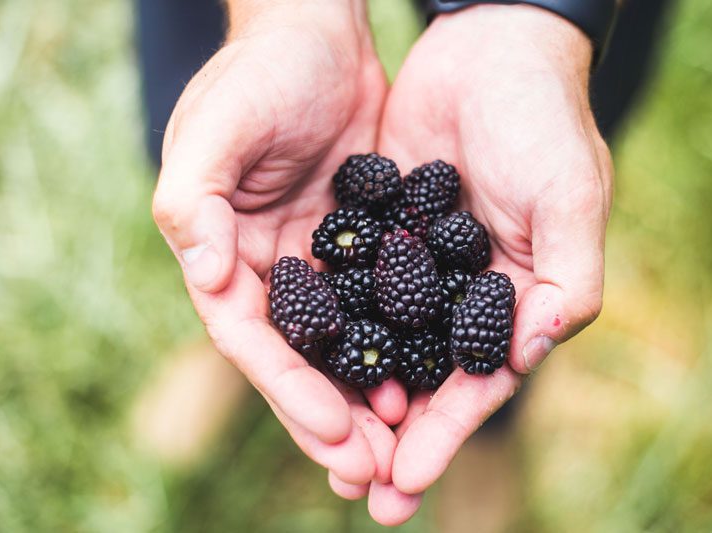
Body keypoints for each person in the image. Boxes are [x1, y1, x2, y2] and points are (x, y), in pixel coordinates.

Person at [139, 0, 671, 526]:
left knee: (567, 125)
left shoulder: (426, 267)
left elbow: (461, 311)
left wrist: (534, 18)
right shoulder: (368, 261)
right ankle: (240, 338)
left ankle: (491, 432)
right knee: (226, 176)